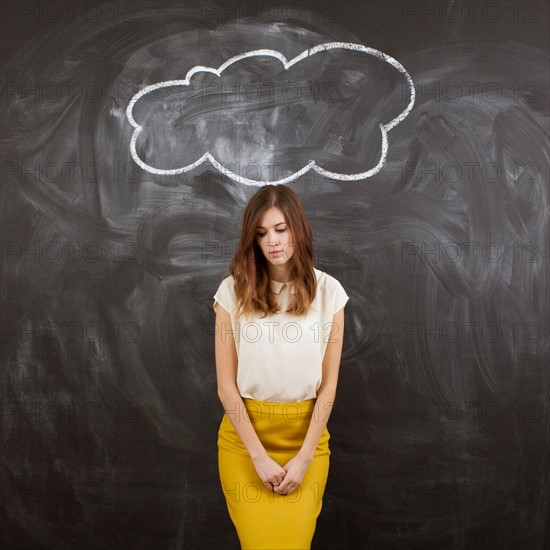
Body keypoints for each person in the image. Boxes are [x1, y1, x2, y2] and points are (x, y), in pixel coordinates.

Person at [213, 184, 350, 549]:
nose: (272, 241)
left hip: (306, 441)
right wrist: (257, 457)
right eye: (261, 234)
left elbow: (329, 386)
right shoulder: (231, 292)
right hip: (246, 443)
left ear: (297, 229)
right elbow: (226, 386)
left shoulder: (330, 293)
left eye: (280, 229)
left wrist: (304, 459)